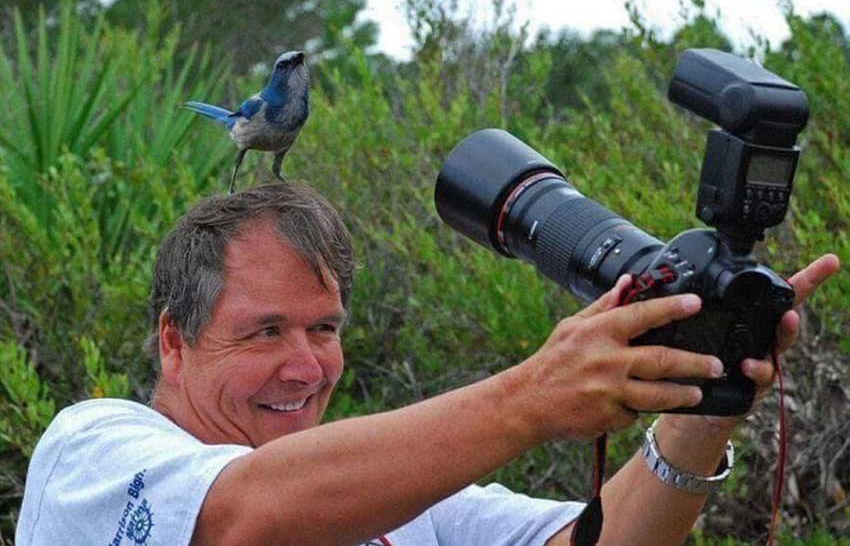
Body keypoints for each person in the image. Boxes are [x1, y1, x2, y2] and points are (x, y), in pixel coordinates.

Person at [15, 182, 839, 546]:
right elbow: (242, 519)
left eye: (325, 328)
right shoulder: (90, 452)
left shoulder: (407, 507)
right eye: (264, 332)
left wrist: (704, 400)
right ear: (173, 340)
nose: (306, 366)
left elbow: (598, 541)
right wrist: (534, 395)